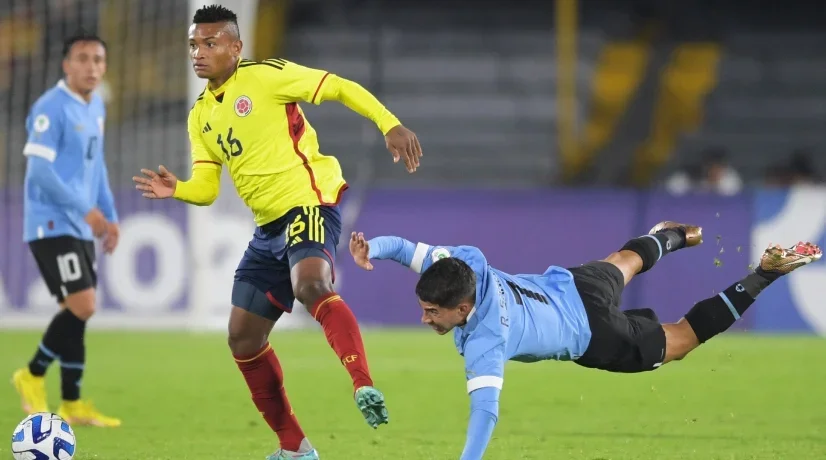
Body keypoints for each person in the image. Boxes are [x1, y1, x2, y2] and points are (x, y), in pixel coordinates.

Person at [132, 5, 421, 459]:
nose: (199, 53)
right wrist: (179, 190)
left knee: (310, 285)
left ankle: (362, 383)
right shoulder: (200, 115)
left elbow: (339, 87)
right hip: (267, 227)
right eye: (194, 45)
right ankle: (295, 448)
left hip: (308, 202)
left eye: (210, 43)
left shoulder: (268, 76)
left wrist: (390, 123)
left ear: (236, 47)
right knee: (242, 338)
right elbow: (207, 189)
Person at [349, 222, 822, 460]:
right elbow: (410, 251)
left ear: (464, 309)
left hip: (595, 336)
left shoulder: (484, 341)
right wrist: (376, 249)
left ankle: (765, 273)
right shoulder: (465, 263)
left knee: (681, 338)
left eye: (433, 312)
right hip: (572, 286)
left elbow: (485, 411)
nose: (424, 318)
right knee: (624, 260)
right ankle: (680, 235)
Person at [12, 31, 121, 428]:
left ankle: (72, 404)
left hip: (78, 221)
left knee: (75, 313)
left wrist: (109, 215)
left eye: (97, 59)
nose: (91, 66)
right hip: (50, 221)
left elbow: (98, 166)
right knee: (84, 304)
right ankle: (32, 374)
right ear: (66, 64)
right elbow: (40, 170)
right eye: (83, 59)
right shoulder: (50, 107)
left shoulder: (94, 108)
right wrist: (86, 210)